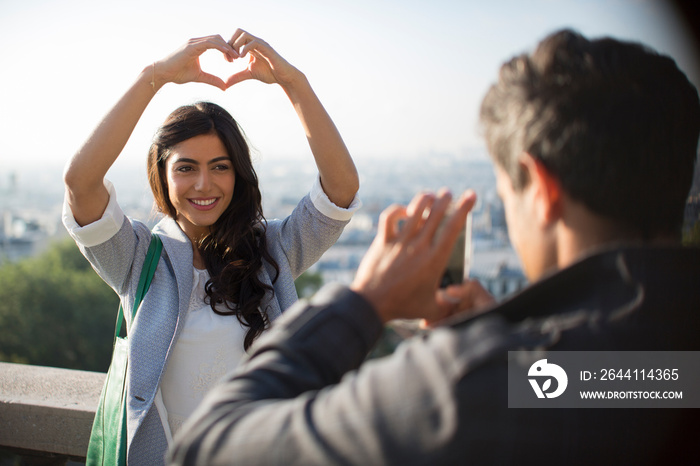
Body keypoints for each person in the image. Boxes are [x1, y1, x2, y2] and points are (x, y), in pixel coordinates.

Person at [168, 29, 700, 465]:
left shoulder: (464, 387)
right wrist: (518, 349)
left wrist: (364, 303)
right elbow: (620, 383)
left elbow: (211, 446)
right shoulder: (666, 368)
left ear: (541, 190)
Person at [62, 29, 360, 465]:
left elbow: (340, 191)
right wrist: (154, 77)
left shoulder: (272, 250)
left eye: (220, 167)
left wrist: (293, 83)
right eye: (186, 168)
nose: (204, 185)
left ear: (238, 174)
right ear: (162, 175)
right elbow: (80, 183)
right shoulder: (139, 258)